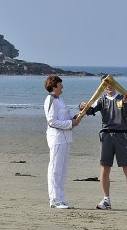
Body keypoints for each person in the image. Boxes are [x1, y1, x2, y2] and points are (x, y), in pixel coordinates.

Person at [79, 83, 127, 211]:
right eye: (106, 85)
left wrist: (126, 102)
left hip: (121, 136)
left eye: (111, 84)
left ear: (115, 85)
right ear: (102, 87)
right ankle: (106, 200)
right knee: (105, 170)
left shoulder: (123, 98)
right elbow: (89, 111)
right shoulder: (101, 100)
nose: (109, 87)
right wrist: (82, 105)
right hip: (106, 136)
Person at [44, 74, 80, 209]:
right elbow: (52, 121)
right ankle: (54, 200)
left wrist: (76, 117)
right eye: (60, 85)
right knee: (55, 169)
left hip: (66, 138)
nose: (62, 87)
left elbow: (66, 117)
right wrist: (70, 123)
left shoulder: (59, 100)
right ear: (53, 86)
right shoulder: (50, 100)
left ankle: (61, 198)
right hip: (56, 139)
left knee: (63, 169)